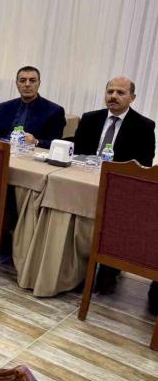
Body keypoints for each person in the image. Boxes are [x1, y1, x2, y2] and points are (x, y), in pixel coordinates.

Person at [72, 77, 157, 308]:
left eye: (120, 92)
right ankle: (74, 266)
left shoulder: (144, 126)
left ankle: (108, 269)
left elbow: (143, 165)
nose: (114, 96)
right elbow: (78, 152)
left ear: (132, 97)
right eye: (110, 91)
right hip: (83, 180)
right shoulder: (90, 118)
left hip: (120, 189)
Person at [0, 66, 65, 149]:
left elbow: (56, 145)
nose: (27, 84)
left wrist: (35, 141)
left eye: (32, 81)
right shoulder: (4, 107)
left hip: (31, 153)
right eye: (22, 81)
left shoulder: (54, 111)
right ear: (17, 83)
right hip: (2, 150)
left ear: (39, 83)